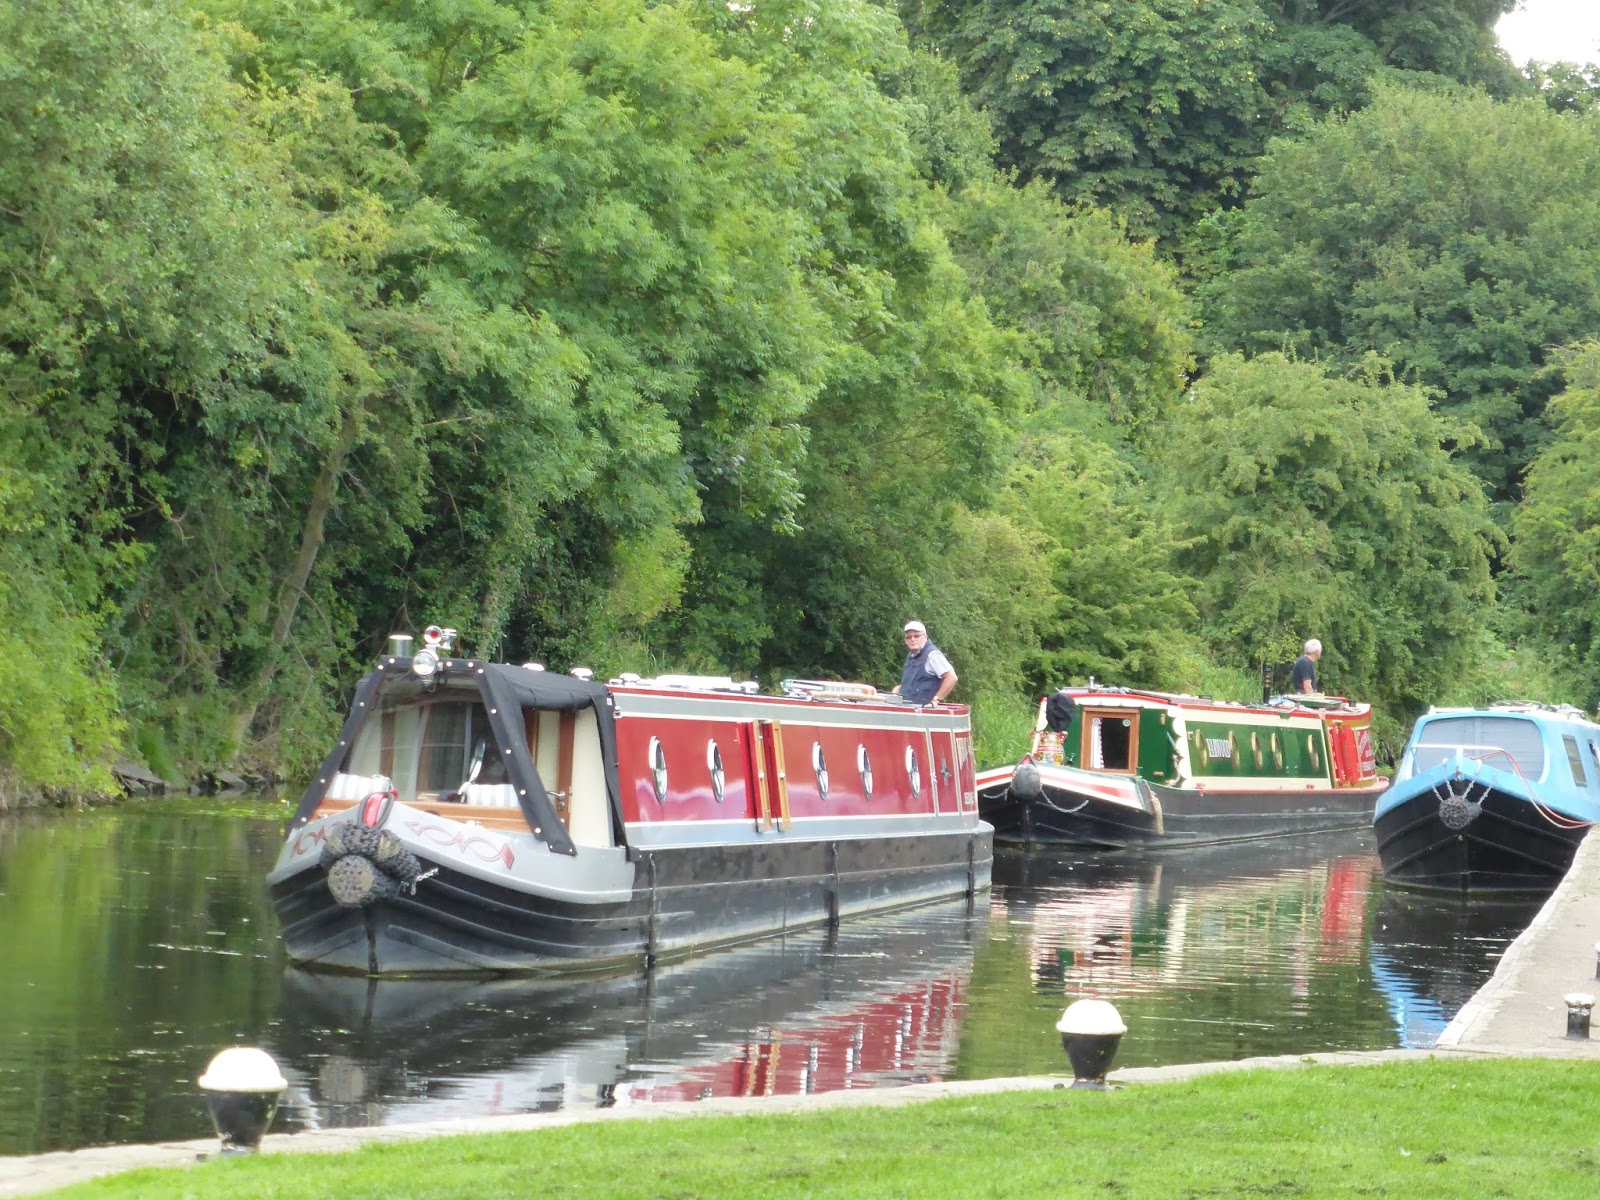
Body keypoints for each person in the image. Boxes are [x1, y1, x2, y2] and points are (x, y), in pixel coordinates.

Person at [893, 620, 957, 705]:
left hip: (924, 713)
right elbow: (916, 682)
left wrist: (936, 700)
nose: (912, 639)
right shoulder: (911, 656)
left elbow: (951, 677)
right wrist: (898, 689)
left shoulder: (932, 655)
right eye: (909, 637)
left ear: (925, 637)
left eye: (916, 636)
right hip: (909, 710)